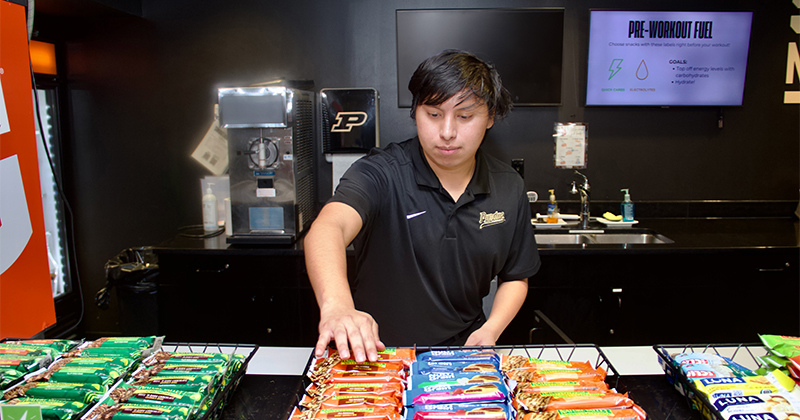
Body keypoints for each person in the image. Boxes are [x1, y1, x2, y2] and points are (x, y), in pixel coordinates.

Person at [304, 49, 540, 362]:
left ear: (491, 116)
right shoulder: (381, 172)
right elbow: (327, 228)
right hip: (375, 356)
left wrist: (491, 330)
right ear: (416, 112)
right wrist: (337, 306)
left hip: (463, 355)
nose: (447, 132)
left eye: (465, 116)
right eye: (433, 114)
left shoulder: (508, 186)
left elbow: (515, 275)